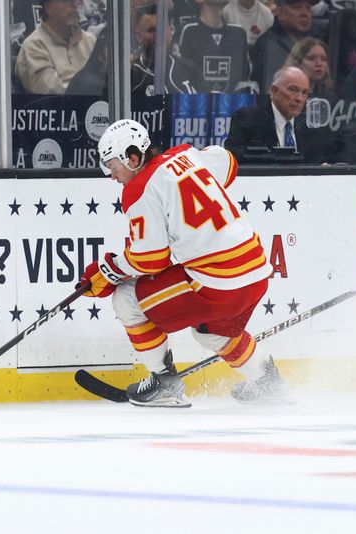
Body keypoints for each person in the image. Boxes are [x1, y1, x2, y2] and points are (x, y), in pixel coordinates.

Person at [81, 119, 289, 407]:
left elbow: (150, 259)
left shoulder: (138, 189)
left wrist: (110, 270)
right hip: (256, 272)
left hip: (217, 283)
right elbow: (228, 164)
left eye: (113, 167)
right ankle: (268, 383)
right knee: (212, 331)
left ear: (133, 158)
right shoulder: (187, 154)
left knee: (127, 299)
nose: (112, 176)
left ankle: (164, 383)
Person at [225, 66, 325, 162]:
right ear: (275, 91)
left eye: (304, 92)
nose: (299, 98)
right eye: (293, 90)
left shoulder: (309, 126)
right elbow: (235, 161)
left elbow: (316, 162)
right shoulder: (248, 119)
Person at [14, 0, 97, 94]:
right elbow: (50, 94)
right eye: (66, 1)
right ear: (49, 9)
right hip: (64, 106)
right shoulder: (34, 46)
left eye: (76, 1)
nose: (74, 6)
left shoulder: (90, 40)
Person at [177, 0, 253, 93]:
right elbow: (176, 76)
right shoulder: (187, 31)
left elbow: (245, 79)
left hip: (231, 104)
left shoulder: (239, 33)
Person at [131, 4, 204, 95]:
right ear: (138, 36)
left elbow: (206, 105)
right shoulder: (131, 74)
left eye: (161, 29)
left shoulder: (190, 69)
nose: (157, 36)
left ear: (170, 31)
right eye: (151, 30)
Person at [250, 0, 313, 94]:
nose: (305, 13)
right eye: (297, 7)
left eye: (308, 8)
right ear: (279, 13)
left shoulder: (317, 43)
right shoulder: (267, 45)